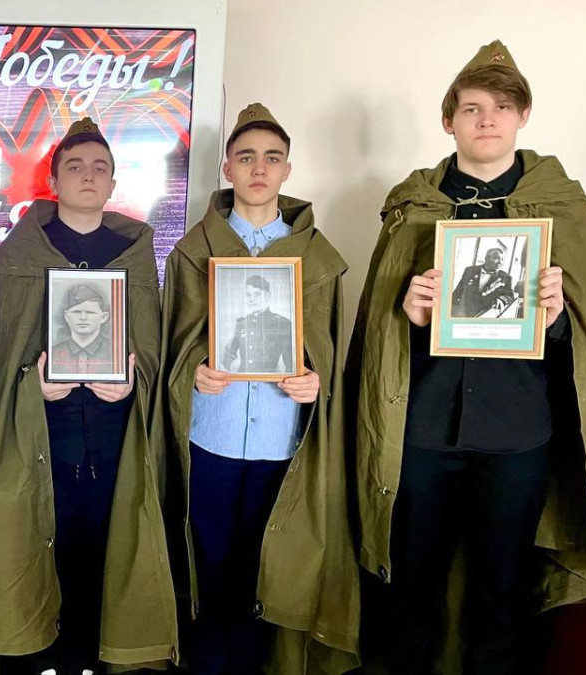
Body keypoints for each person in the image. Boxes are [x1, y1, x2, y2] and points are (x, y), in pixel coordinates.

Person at [346, 40, 586, 675]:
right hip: (424, 429)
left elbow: (583, 338)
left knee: (502, 593)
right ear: (449, 121)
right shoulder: (413, 204)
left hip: (516, 431)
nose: (487, 119)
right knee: (410, 586)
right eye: (472, 108)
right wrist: (409, 316)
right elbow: (380, 335)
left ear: (523, 116)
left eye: (501, 106)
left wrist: (555, 320)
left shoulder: (560, 205)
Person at [0, 117, 176, 675]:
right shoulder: (17, 255)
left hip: (111, 433)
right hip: (40, 434)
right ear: (53, 181)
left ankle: (91, 659)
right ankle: (37, 657)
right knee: (36, 543)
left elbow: (153, 347)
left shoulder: (135, 253)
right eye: (75, 166)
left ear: (113, 184)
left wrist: (133, 383)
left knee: (102, 548)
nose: (88, 175)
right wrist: (27, 387)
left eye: (99, 168)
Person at [154, 103, 358, 675]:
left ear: (287, 170)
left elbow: (328, 346)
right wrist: (193, 371)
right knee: (209, 563)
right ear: (227, 169)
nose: (259, 168)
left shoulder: (315, 257)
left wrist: (316, 381)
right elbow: (173, 343)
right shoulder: (193, 251)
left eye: (272, 158)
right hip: (212, 437)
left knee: (266, 567)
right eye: (246, 157)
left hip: (280, 441)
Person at [221, 274, 293, 373]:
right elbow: (229, 352)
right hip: (241, 378)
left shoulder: (282, 323)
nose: (252, 299)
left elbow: (290, 365)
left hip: (268, 379)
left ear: (268, 295)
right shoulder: (241, 323)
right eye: (248, 295)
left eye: (257, 294)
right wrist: (224, 372)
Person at [49, 283, 114, 375]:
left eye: (90, 312)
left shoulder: (116, 353)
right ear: (66, 316)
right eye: (76, 312)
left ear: (104, 317)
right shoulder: (52, 354)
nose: (83, 318)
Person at [450, 246, 514, 318]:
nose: (500, 262)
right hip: (465, 312)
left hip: (485, 315)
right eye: (496, 258)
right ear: (486, 259)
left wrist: (501, 300)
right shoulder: (470, 270)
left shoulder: (505, 277)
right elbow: (458, 290)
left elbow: (510, 296)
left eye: (502, 259)